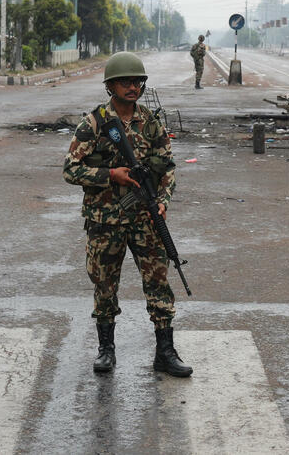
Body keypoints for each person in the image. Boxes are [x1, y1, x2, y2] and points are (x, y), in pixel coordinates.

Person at [63, 52, 192, 378]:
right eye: (126, 81)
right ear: (111, 86)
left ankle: (165, 351)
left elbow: (167, 168)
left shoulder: (150, 123)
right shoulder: (94, 124)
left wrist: (162, 200)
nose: (133, 87)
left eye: (138, 82)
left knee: (159, 284)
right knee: (104, 286)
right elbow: (71, 169)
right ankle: (106, 349)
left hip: (145, 220)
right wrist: (111, 175)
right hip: (105, 221)